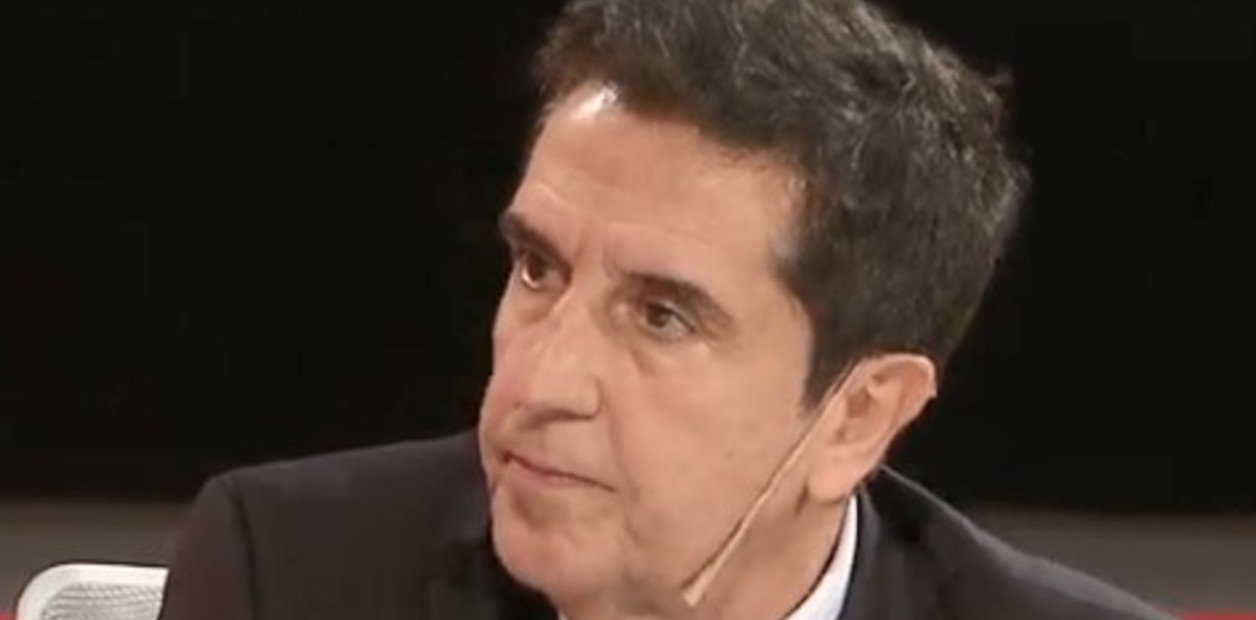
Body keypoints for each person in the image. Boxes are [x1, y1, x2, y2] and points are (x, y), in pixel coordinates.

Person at [157, 0, 1174, 618]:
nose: (540, 382)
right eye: (538, 269)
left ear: (856, 417)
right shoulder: (289, 574)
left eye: (661, 317)